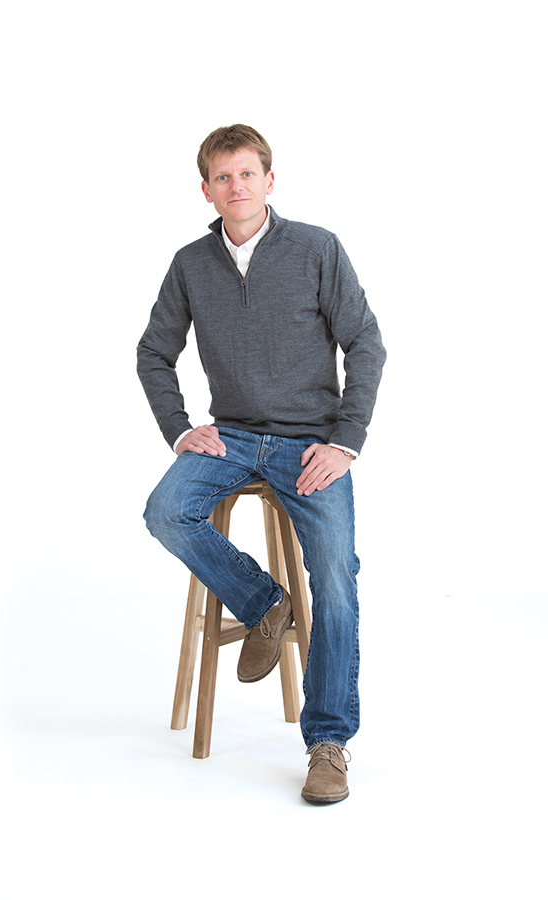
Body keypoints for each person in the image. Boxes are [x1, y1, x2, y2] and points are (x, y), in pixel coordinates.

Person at [137, 124, 386, 803]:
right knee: (165, 511)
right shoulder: (191, 264)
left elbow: (364, 344)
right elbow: (153, 352)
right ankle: (262, 600)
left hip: (312, 444)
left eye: (247, 174)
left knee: (335, 575)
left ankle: (328, 742)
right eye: (222, 177)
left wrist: (346, 441)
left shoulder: (316, 249)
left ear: (269, 181)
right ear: (206, 189)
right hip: (235, 437)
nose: (236, 187)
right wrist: (180, 430)